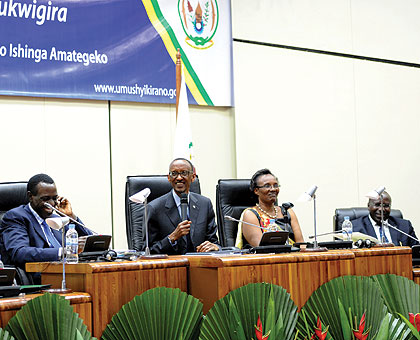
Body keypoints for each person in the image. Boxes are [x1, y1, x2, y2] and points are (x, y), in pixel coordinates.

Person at [0, 174, 93, 269]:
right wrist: (63, 252)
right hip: (40, 276)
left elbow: (93, 246)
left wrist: (70, 216)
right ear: (30, 196)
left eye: (54, 198)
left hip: (67, 271)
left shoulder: (56, 219)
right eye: (45, 199)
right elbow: (20, 252)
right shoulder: (16, 217)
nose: (52, 204)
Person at [146, 158, 220, 255]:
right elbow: (147, 251)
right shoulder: (154, 208)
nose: (179, 178)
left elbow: (214, 241)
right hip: (171, 266)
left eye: (184, 173)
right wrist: (172, 238)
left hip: (200, 265)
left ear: (193, 177)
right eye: (174, 173)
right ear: (169, 178)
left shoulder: (204, 204)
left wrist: (215, 247)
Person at [236, 169, 304, 248]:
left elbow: (301, 244)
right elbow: (261, 248)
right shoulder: (250, 214)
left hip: (293, 257)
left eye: (275, 185)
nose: (273, 189)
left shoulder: (287, 211)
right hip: (266, 259)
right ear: (256, 191)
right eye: (267, 186)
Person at [352, 191, 419, 246]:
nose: (381, 209)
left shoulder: (404, 226)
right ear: (369, 206)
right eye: (377, 205)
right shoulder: (355, 227)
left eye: (386, 206)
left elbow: (417, 252)